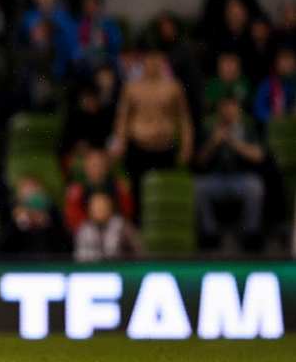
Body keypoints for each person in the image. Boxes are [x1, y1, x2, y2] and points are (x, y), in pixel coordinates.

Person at [110, 49, 194, 219]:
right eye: (148, 59)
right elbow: (122, 118)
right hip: (138, 146)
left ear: (163, 61)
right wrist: (119, 143)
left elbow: (184, 118)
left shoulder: (174, 87)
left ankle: (164, 223)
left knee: (164, 190)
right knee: (136, 190)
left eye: (157, 58)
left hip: (165, 146)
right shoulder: (132, 87)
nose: (152, 63)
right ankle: (136, 227)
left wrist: (187, 145)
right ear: (142, 61)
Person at [195, 96, 265, 249]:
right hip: (217, 179)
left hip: (241, 179)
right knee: (198, 187)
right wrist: (213, 143)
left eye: (231, 106)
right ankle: (210, 235)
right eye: (224, 106)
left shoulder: (247, 128)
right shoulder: (209, 128)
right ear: (220, 109)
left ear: (237, 109)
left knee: (255, 186)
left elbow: (259, 155)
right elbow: (199, 160)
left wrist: (234, 143)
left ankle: (250, 235)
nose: (228, 110)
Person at [65, 147, 134, 233]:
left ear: (107, 166)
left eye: (100, 164)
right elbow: (73, 219)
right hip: (87, 232)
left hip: (116, 231)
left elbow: (127, 212)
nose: (97, 169)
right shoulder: (77, 191)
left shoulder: (119, 187)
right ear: (86, 167)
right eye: (93, 165)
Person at [0, 176, 68, 254]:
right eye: (26, 191)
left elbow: (65, 246)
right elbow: (3, 249)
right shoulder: (12, 214)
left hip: (51, 262)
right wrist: (20, 223)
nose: (31, 194)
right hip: (21, 262)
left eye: (34, 189)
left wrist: (46, 223)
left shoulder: (53, 213)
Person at [75, 193, 142, 262]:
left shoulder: (122, 226)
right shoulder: (83, 230)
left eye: (102, 206)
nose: (99, 209)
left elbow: (139, 252)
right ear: (90, 209)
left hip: (119, 268)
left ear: (110, 208)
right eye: (96, 207)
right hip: (91, 270)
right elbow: (79, 256)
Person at [253, 48, 296, 125]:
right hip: (276, 126)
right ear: (277, 63)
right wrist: (272, 117)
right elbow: (258, 108)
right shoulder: (268, 83)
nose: (287, 64)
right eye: (283, 60)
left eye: (289, 60)